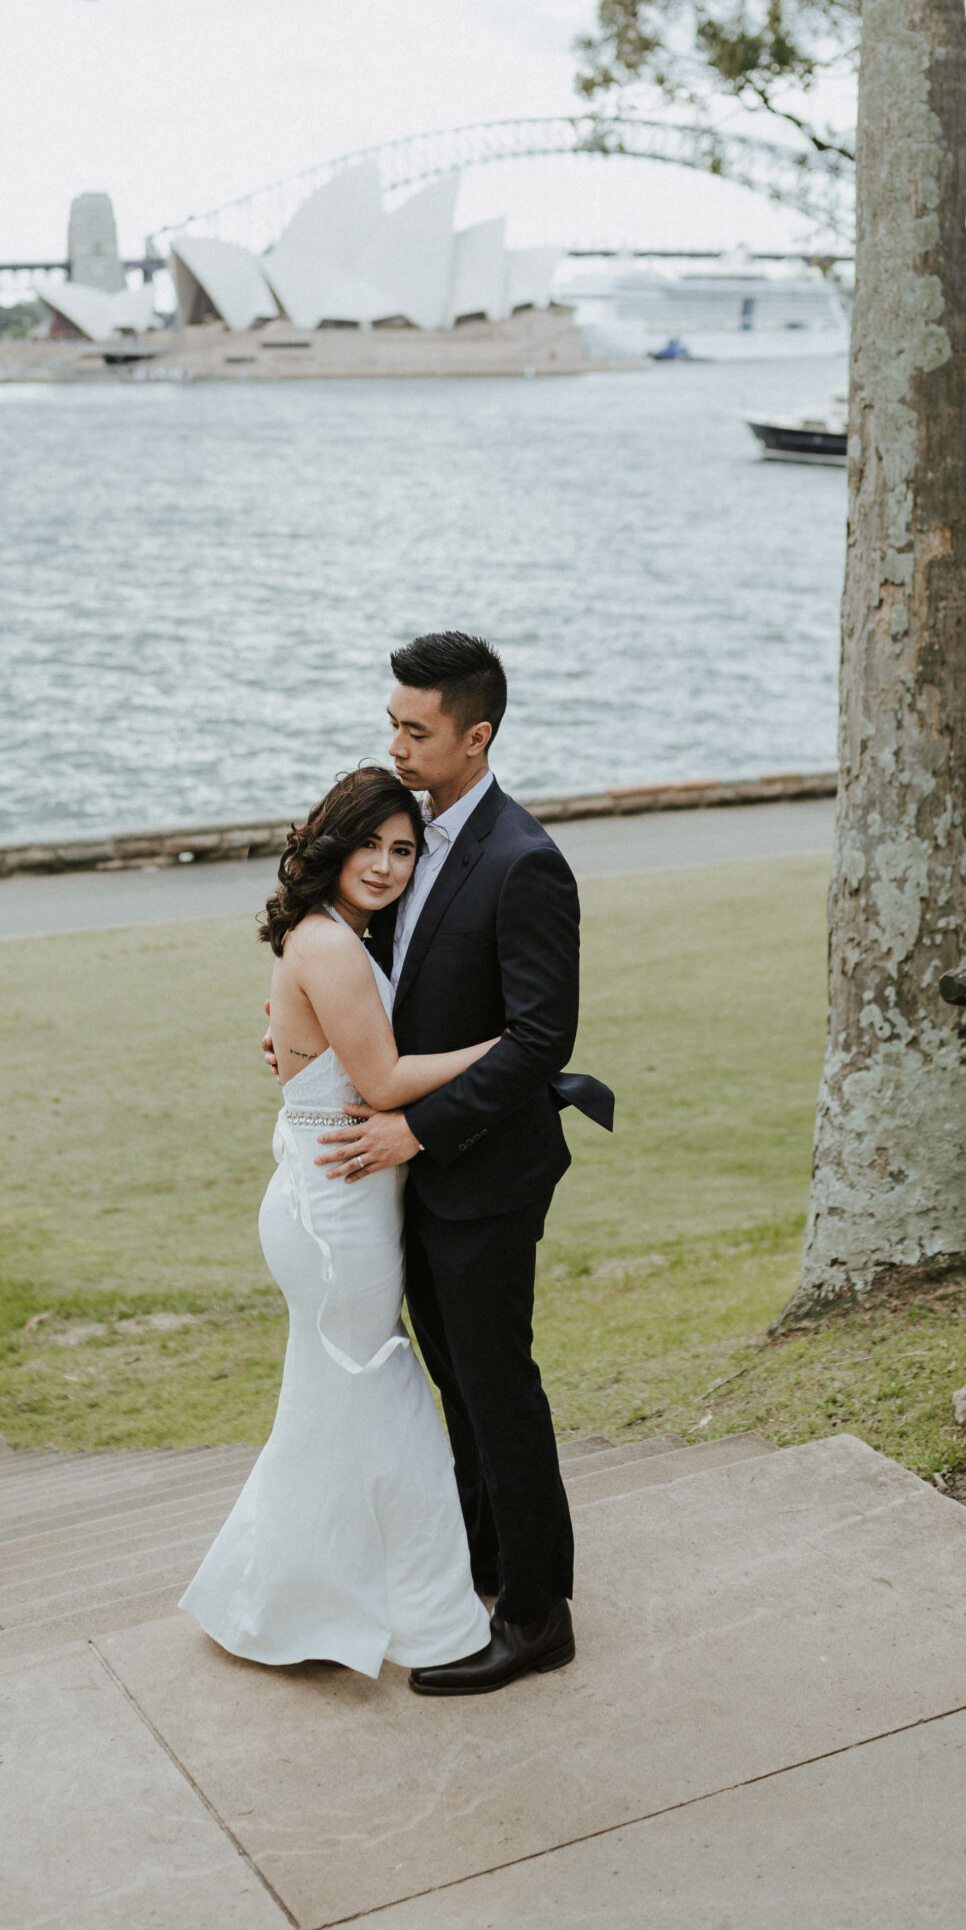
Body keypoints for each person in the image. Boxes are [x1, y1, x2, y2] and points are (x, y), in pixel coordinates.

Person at [314, 631, 614, 1697]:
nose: (393, 742)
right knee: (455, 1377)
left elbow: (541, 1040)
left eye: (415, 728)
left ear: (474, 735)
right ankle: (486, 1566)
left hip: (485, 1170)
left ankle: (537, 1614)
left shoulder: (524, 861)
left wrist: (419, 1131)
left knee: (497, 1384)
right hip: (424, 1173)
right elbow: (378, 980)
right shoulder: (408, 835)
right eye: (391, 721)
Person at [179, 765, 495, 1677]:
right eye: (370, 844)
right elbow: (388, 1082)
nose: (388, 866)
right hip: (335, 1203)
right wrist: (515, 1044)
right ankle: (427, 1615)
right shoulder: (326, 944)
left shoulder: (347, 937)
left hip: (342, 1186)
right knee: (382, 1387)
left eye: (403, 850)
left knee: (330, 1399)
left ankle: (284, 1595)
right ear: (332, 843)